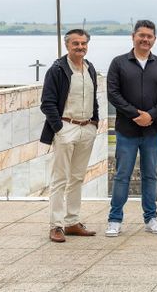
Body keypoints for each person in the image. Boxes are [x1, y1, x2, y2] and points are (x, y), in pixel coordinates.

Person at [106, 20, 157, 237]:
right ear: (133, 36)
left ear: (154, 39)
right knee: (122, 176)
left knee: (151, 175)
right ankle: (114, 219)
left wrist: (151, 115)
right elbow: (113, 94)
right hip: (126, 131)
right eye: (141, 35)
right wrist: (135, 114)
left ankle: (151, 218)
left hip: (152, 132)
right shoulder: (118, 63)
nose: (145, 39)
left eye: (149, 36)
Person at [40, 29, 100, 243]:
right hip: (66, 127)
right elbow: (46, 102)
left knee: (77, 177)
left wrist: (95, 122)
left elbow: (94, 99)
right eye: (76, 43)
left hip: (87, 128)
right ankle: (56, 225)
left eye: (83, 43)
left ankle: (72, 221)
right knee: (59, 179)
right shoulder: (57, 69)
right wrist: (59, 128)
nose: (80, 47)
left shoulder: (89, 68)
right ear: (67, 45)